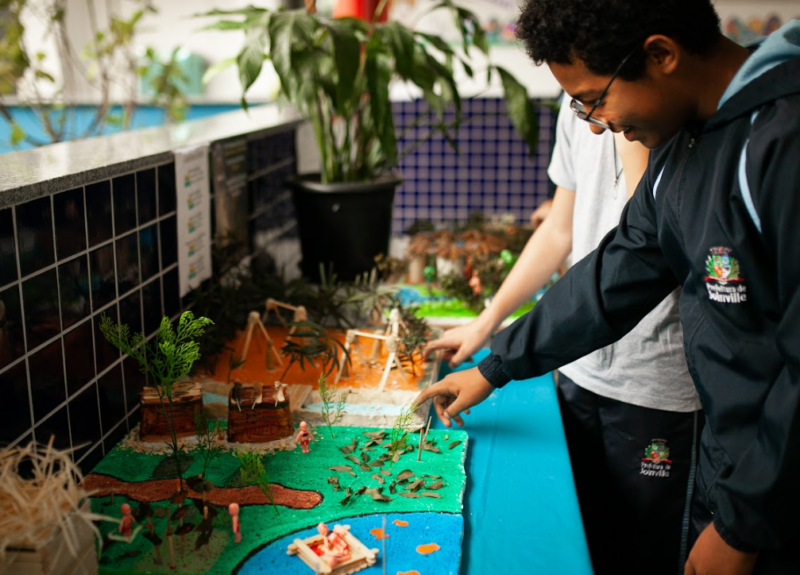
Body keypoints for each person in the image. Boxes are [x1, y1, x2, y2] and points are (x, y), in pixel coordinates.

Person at [417, 2, 800, 574]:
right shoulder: (684, 147)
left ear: (661, 55)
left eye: (596, 99)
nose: (595, 122)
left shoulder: (781, 141)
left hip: (778, 490)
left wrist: (743, 526)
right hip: (736, 469)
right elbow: (615, 273)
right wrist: (496, 365)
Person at [425, 96, 702, 575]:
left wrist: (497, 366)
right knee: (584, 539)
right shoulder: (578, 105)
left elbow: (641, 252)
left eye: (593, 100)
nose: (591, 122)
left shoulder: (656, 115)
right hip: (579, 365)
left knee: (642, 552)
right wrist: (488, 323)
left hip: (654, 387)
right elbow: (559, 228)